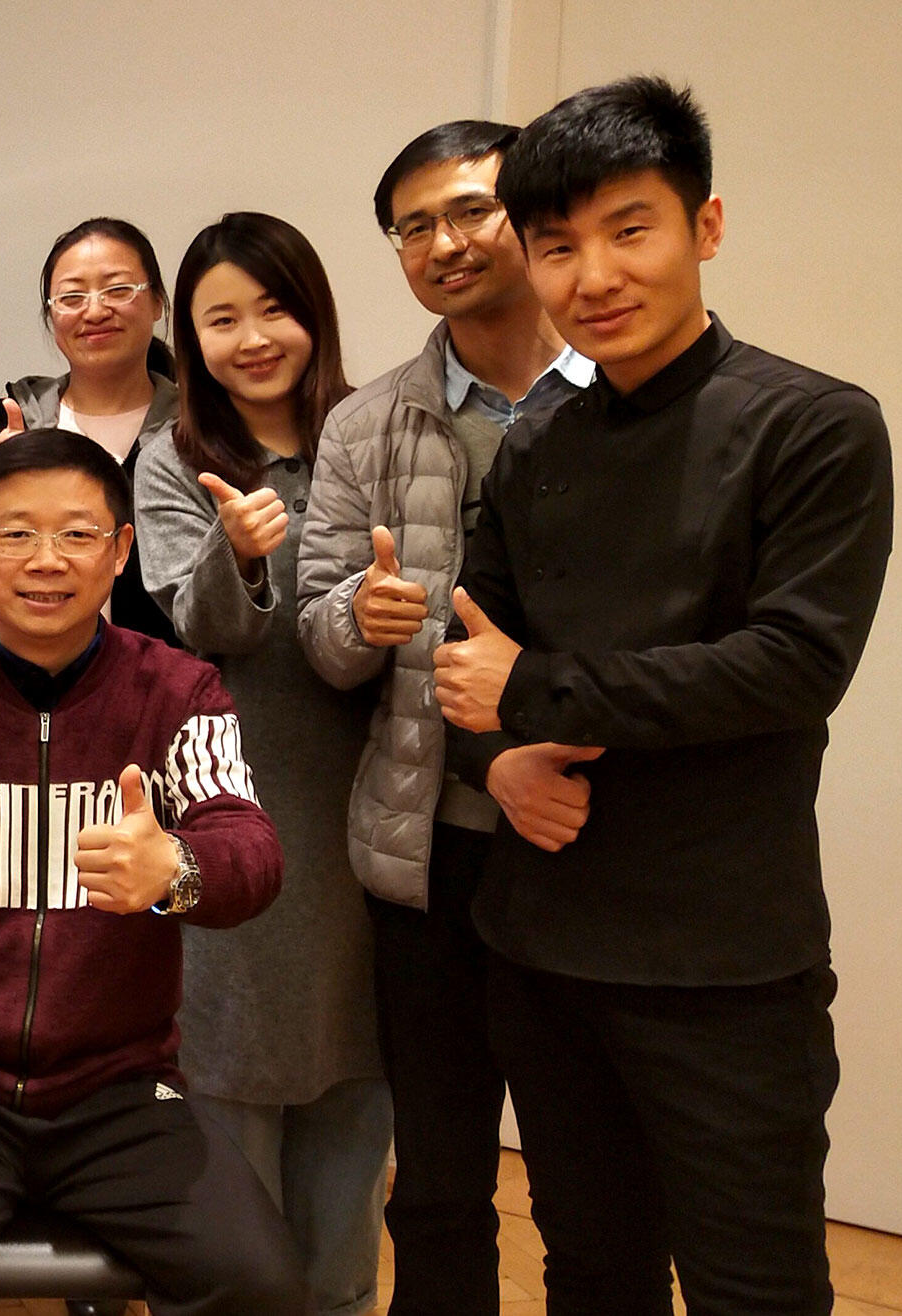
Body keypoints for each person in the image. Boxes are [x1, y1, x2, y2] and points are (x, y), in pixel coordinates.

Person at [436, 76, 893, 1314]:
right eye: (558, 246)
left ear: (707, 224)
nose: (594, 274)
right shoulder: (538, 444)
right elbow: (468, 660)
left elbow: (792, 663)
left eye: (630, 228)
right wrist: (500, 761)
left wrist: (538, 692)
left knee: (758, 1284)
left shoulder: (816, 424)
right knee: (592, 1269)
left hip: (723, 964)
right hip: (543, 942)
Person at [0, 429, 306, 1316]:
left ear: (121, 550)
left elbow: (253, 854)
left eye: (78, 535)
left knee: (261, 1284)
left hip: (120, 1092)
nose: (46, 562)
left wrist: (178, 866)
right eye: (15, 534)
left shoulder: (178, 689)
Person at [292, 120, 593, 1316]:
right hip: (425, 854)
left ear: (534, 213)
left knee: (589, 1175)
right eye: (414, 226)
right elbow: (317, 627)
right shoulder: (370, 421)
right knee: (436, 1176)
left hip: (589, 845)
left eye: (471, 209)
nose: (444, 242)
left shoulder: (623, 394)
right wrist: (354, 620)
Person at [130, 211, 386, 1316]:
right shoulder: (170, 458)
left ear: (314, 313)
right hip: (235, 811)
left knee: (355, 1091)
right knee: (229, 1096)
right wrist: (238, 554)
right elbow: (198, 628)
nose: (251, 337)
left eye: (272, 308)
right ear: (189, 337)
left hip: (366, 816)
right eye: (220, 317)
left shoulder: (372, 437)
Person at [0, 217, 181, 642]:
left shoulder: (203, 434)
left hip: (168, 688)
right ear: (51, 314)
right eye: (72, 296)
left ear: (158, 303)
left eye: (117, 290)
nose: (95, 311)